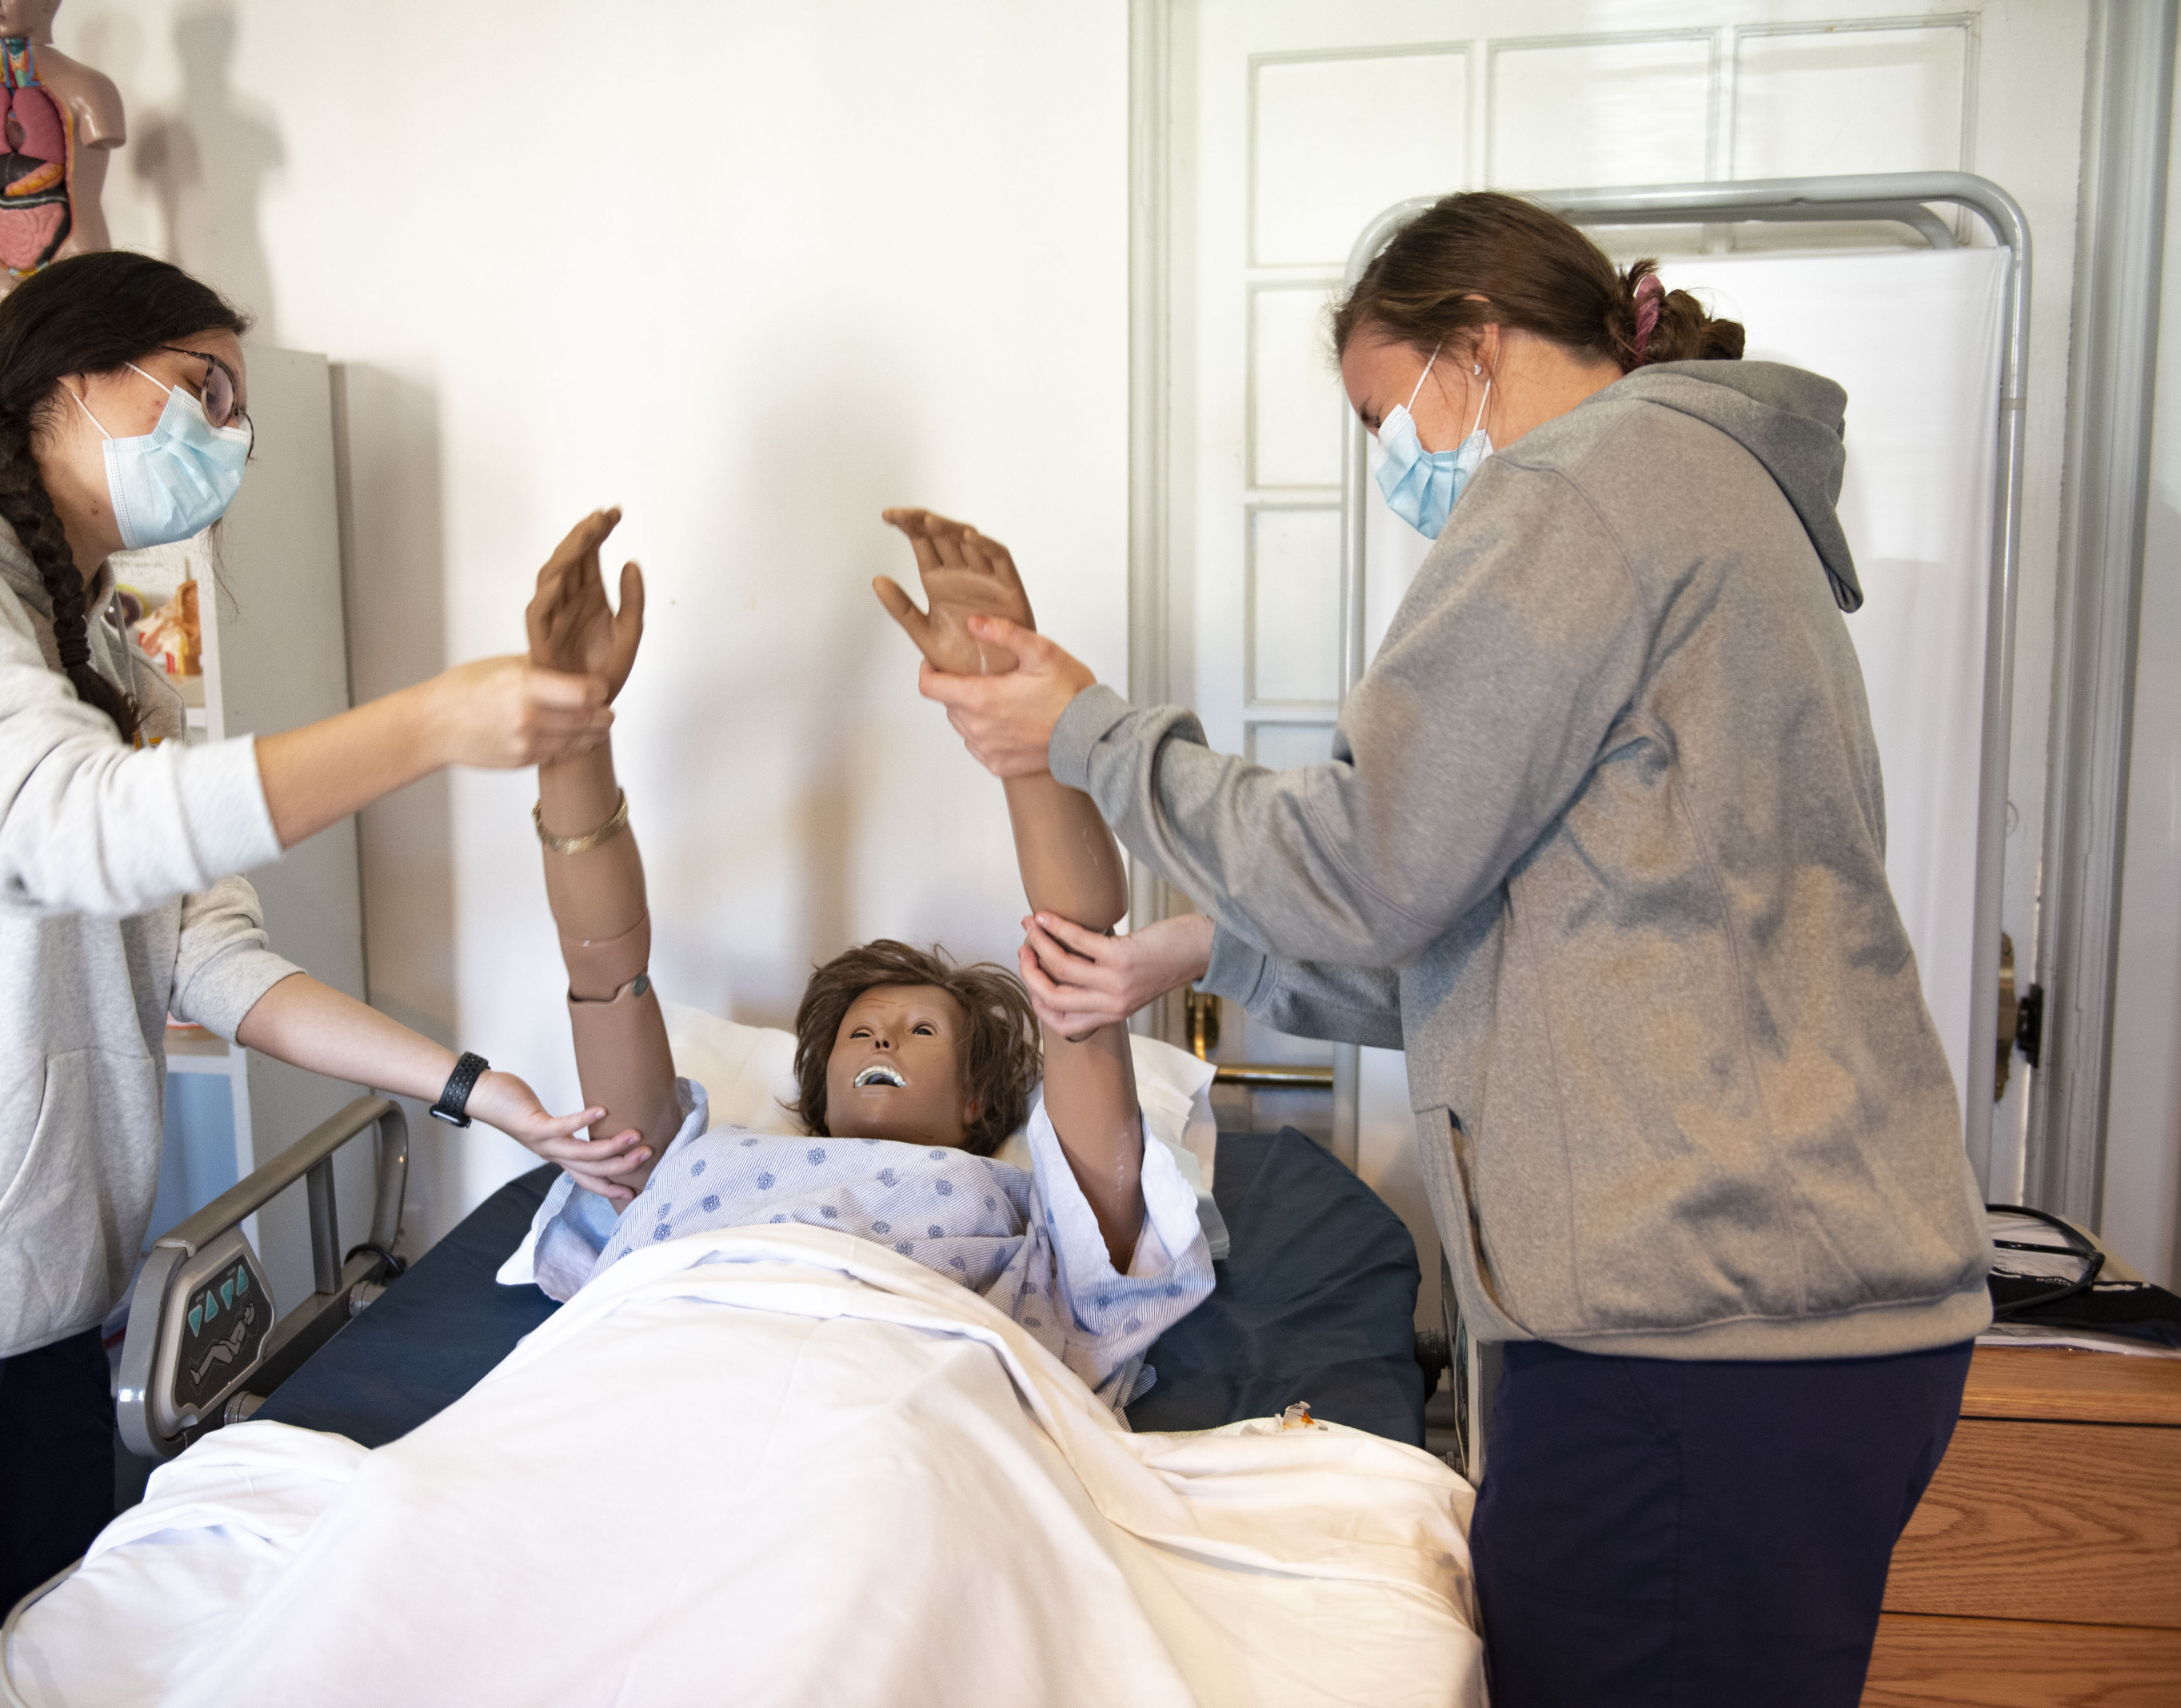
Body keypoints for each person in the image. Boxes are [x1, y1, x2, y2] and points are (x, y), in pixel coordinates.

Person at [909, 193, 1992, 1707]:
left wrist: (1085, 732)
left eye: (1383, 412)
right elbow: (1535, 941)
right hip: (1778, 1315)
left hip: (1702, 1330)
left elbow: (1372, 864)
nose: (1392, 467)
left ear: (1473, 348)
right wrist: (1197, 954)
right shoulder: (1702, 494)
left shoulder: (1585, 491)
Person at [0, 251, 613, 1708]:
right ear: (66, 381)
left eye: (239, 407)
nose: (227, 434)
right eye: (200, 387)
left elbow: (206, 952)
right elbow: (68, 835)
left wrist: (479, 1090)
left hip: (20, 1304)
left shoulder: (99, 660)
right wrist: (428, 722)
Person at [502, 506, 1213, 1402]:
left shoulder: (1027, 1214)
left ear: (977, 1102)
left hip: (897, 1411)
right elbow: (605, 970)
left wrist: (1026, 730)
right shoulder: (690, 1164)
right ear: (815, 1082)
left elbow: (1079, 963)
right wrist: (571, 740)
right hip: (666, 1382)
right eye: (860, 1033)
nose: (879, 1041)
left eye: (918, 1030)